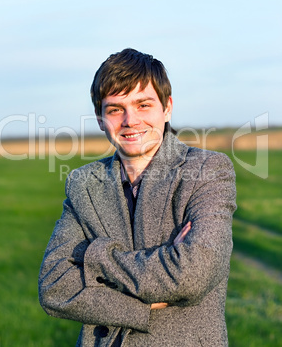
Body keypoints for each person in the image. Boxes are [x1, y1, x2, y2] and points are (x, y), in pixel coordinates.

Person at [38, 48, 237, 346]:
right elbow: (54, 287)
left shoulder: (208, 170)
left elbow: (192, 276)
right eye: (116, 109)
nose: (130, 120)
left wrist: (95, 257)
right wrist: (141, 305)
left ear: (167, 107)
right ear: (100, 118)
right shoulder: (84, 183)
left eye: (143, 104)